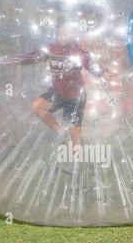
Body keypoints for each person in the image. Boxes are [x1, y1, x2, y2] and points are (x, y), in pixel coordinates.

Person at [25, 18, 114, 151]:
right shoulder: (51, 48)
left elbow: (89, 64)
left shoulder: (77, 50)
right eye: (61, 32)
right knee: (37, 106)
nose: (63, 35)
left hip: (75, 96)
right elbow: (35, 56)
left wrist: (102, 73)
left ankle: (78, 162)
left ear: (72, 34)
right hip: (57, 92)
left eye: (67, 32)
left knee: (75, 134)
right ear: (57, 32)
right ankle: (61, 131)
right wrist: (17, 59)